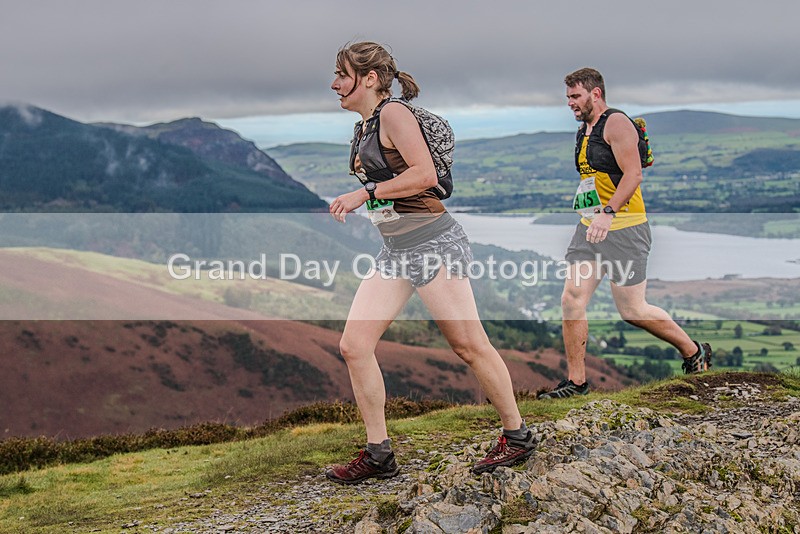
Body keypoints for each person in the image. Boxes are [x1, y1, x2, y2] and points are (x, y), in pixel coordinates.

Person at [325, 41, 535, 483]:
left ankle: (517, 437)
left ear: (370, 79)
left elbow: (426, 175)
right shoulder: (365, 126)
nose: (334, 83)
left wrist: (365, 193)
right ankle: (378, 453)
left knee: (469, 345)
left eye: (342, 74)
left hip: (433, 243)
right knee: (354, 346)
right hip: (397, 250)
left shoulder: (394, 115)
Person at [539, 68, 712, 400]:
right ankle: (576, 383)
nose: (571, 104)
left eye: (576, 96)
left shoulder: (616, 123)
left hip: (625, 229)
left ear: (596, 93)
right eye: (568, 98)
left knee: (633, 310)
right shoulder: (584, 130)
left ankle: (693, 352)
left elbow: (633, 175)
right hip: (590, 228)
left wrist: (608, 212)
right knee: (571, 299)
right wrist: (592, 209)